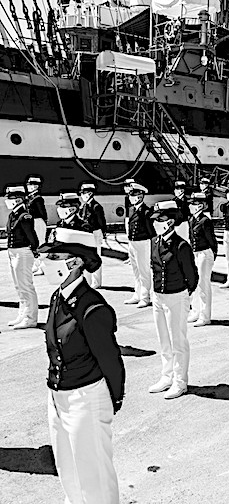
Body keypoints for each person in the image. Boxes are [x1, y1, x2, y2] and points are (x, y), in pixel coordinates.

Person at [38, 227, 125, 504]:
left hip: (86, 397)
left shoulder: (92, 307)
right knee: (69, 473)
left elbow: (111, 360)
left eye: (54, 257)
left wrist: (111, 399)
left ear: (74, 263)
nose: (46, 261)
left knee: (94, 478)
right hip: (58, 395)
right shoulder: (58, 296)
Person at [149, 201, 198, 399]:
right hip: (158, 297)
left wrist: (185, 296)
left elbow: (192, 276)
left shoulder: (181, 246)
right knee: (163, 340)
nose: (155, 224)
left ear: (169, 222)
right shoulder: (155, 241)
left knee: (178, 341)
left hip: (176, 296)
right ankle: (167, 375)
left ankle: (180, 381)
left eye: (159, 220)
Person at [5, 184, 39, 329]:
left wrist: (35, 250)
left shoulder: (25, 216)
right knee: (19, 286)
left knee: (26, 286)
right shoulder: (13, 214)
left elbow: (32, 237)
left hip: (22, 253)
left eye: (10, 198)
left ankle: (31, 318)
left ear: (18, 200)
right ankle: (22, 314)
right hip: (13, 253)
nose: (7, 200)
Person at [188, 192, 218, 327]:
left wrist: (212, 255)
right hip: (195, 253)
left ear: (200, 205)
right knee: (195, 283)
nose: (190, 205)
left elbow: (212, 240)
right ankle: (195, 311)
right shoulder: (192, 219)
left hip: (204, 254)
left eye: (193, 204)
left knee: (203, 285)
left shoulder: (205, 221)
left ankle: (205, 316)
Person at [124, 183, 155, 307]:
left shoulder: (146, 212)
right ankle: (137, 294)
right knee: (135, 270)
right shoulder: (131, 209)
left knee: (144, 271)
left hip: (143, 243)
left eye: (133, 195)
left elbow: (151, 232)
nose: (130, 197)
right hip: (132, 242)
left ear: (140, 196)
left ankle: (145, 297)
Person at [78, 182, 108, 288]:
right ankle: (87, 280)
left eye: (84, 193)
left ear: (90, 193)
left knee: (96, 257)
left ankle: (96, 282)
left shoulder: (96, 207)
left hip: (95, 233)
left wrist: (103, 234)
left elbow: (101, 222)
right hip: (86, 234)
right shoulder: (84, 206)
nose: (82, 195)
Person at [26, 175, 47, 276]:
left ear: (36, 187)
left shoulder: (38, 199)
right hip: (33, 221)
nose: (28, 186)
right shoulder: (31, 197)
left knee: (40, 243)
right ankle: (36, 264)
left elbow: (42, 212)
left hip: (38, 221)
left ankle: (43, 266)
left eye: (31, 185)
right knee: (34, 243)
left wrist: (43, 222)